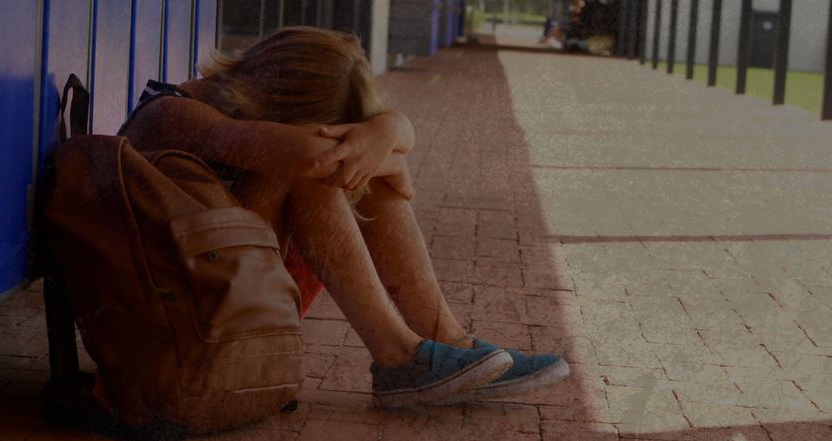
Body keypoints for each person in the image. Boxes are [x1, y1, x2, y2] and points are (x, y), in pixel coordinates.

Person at [119, 26, 569, 408]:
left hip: (234, 293)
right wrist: (390, 145)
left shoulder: (234, 109)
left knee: (355, 170)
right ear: (276, 101)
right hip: (184, 323)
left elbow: (358, 158)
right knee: (326, 172)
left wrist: (391, 131)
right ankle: (397, 356)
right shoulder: (170, 112)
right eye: (324, 124)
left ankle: (448, 340)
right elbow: (315, 159)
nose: (332, 134)